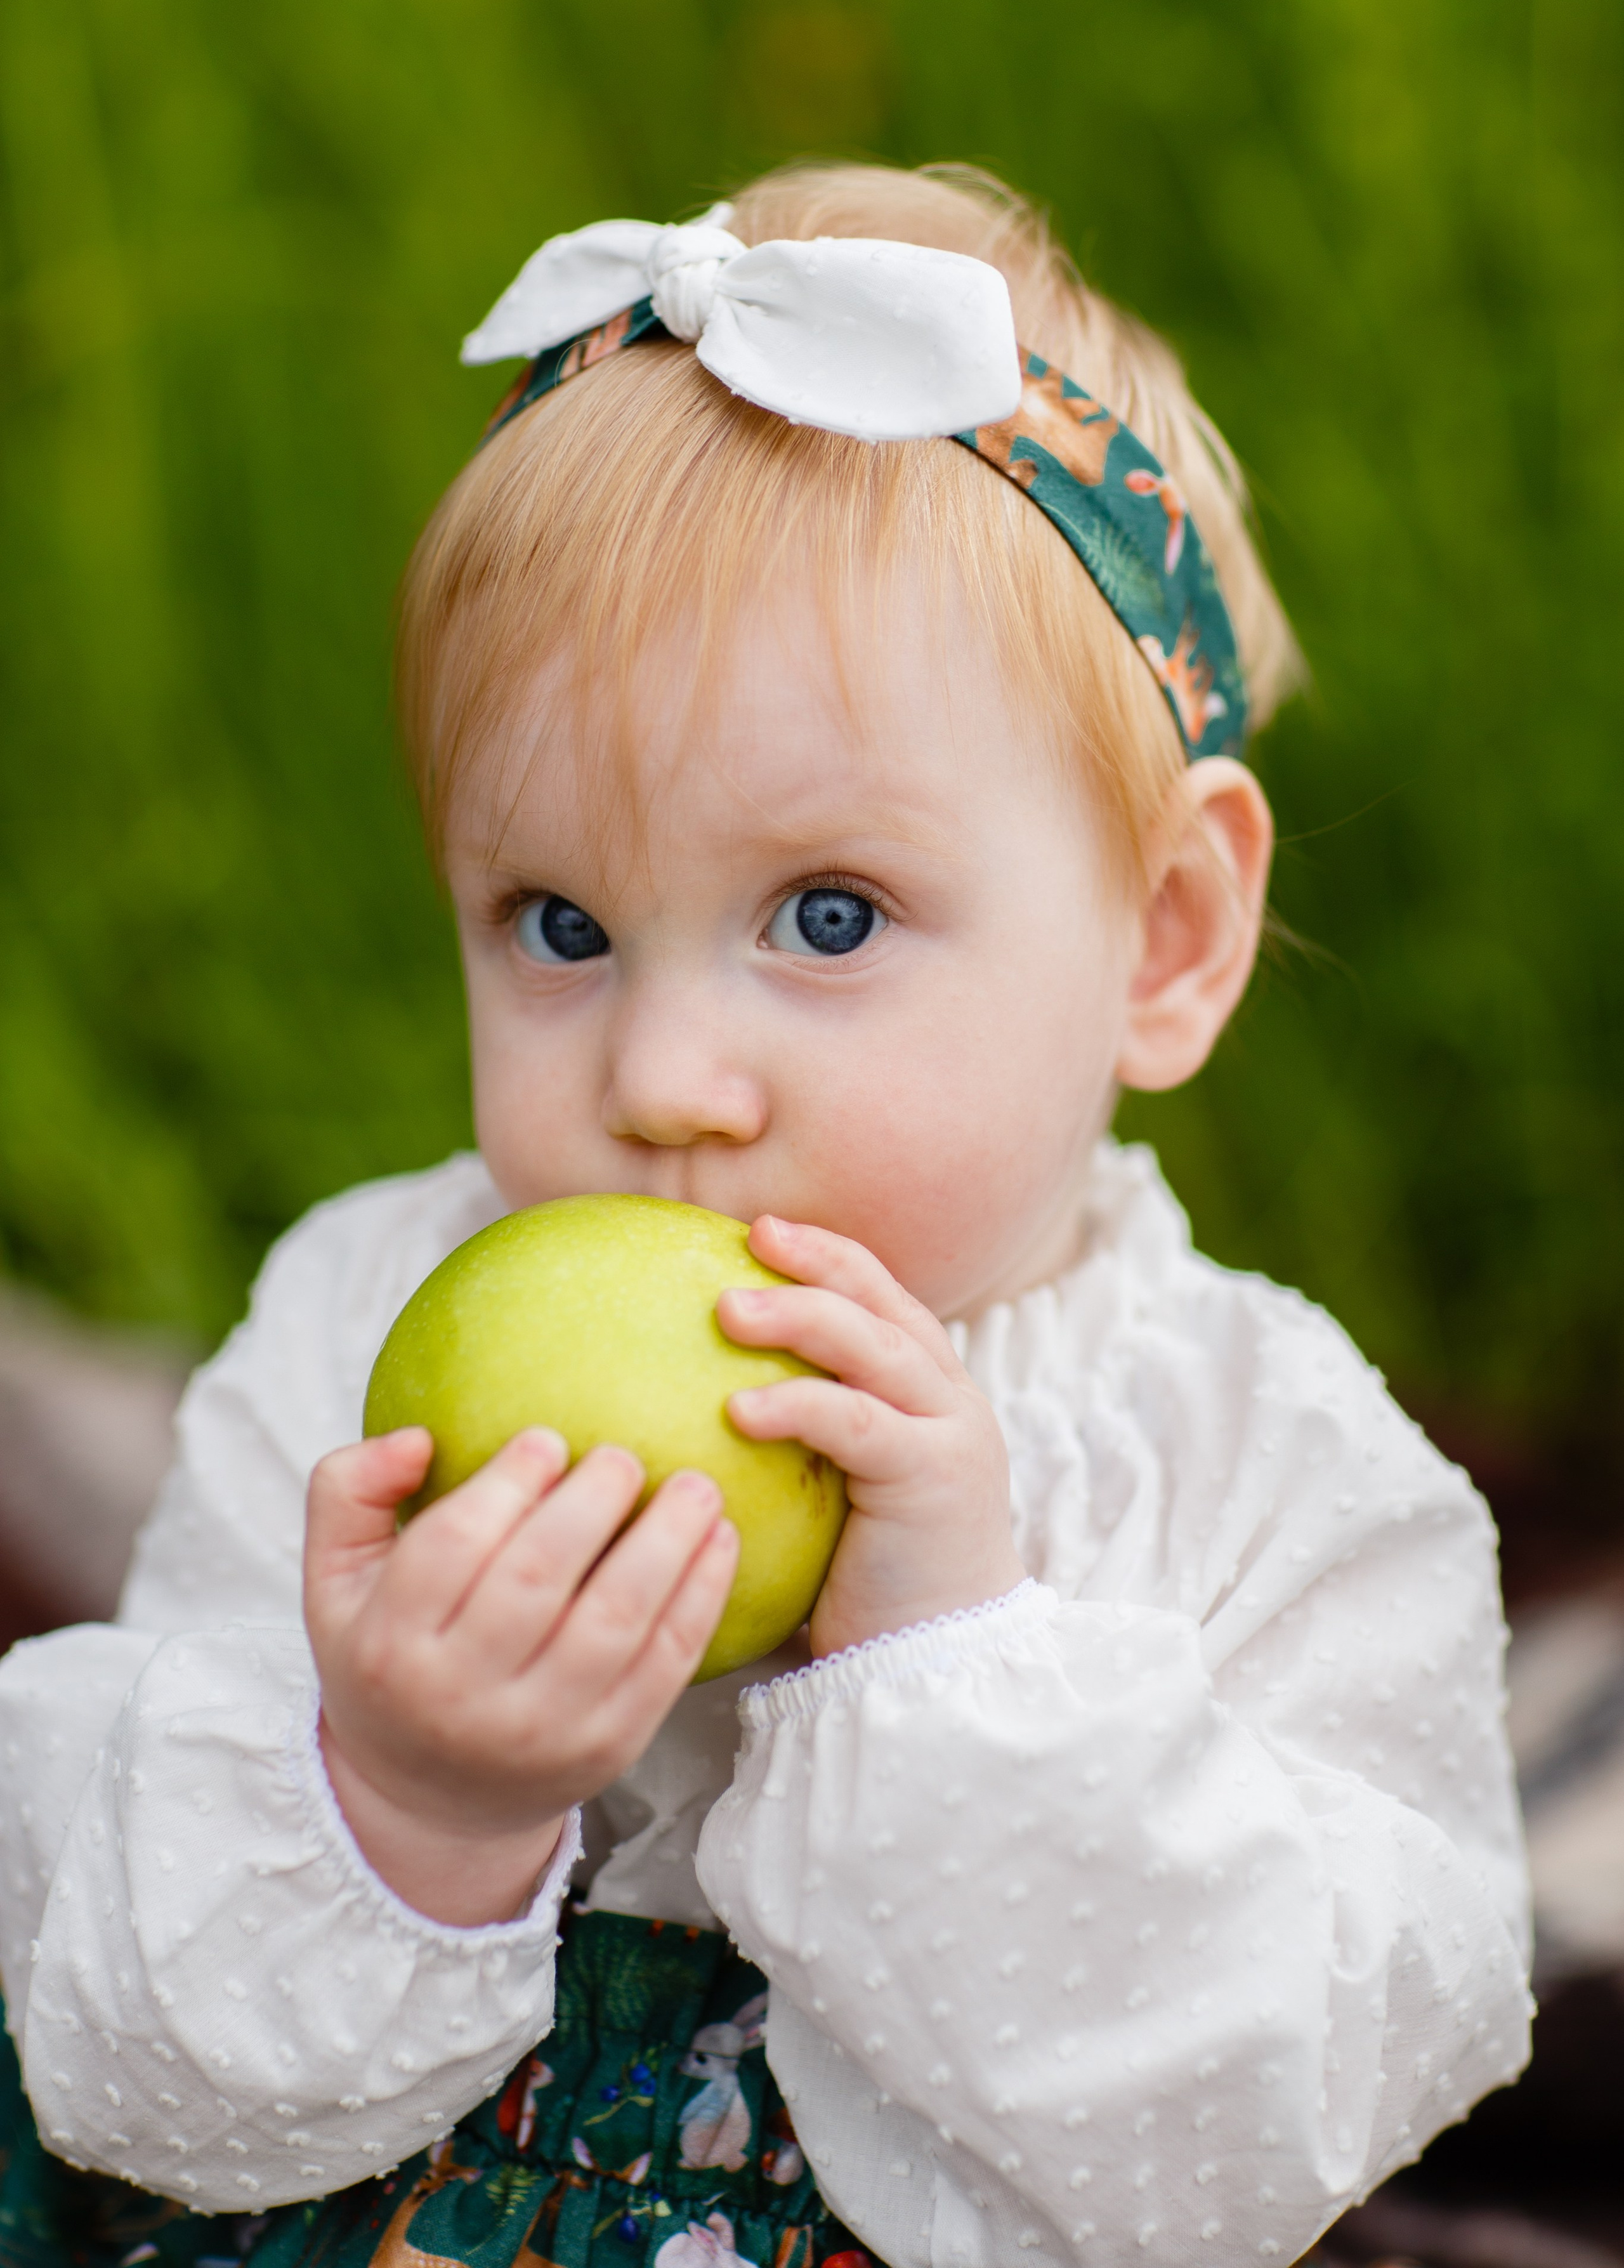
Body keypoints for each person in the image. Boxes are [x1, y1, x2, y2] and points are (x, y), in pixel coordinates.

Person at [0, 163, 1531, 2268]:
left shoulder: (1254, 1459)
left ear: (1166, 937)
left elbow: (1258, 2133)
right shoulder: (368, 1324)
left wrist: (943, 1659)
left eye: (828, 918)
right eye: (560, 924)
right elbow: (123, 2059)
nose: (660, 1078)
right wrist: (404, 1800)